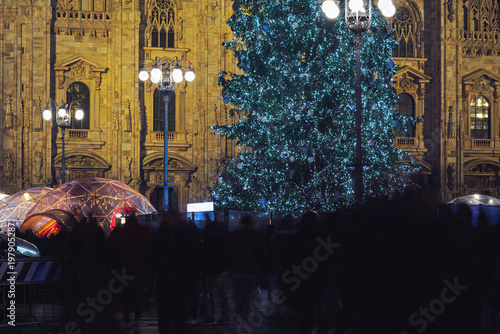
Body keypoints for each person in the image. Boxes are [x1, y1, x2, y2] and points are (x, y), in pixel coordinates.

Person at [152, 210, 198, 334]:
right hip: (165, 283)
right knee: (166, 318)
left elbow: (192, 258)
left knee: (179, 318)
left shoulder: (184, 235)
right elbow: (152, 260)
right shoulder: (159, 236)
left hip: (180, 283)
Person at [108, 212, 151, 334]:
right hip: (139, 269)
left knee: (126, 296)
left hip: (124, 270)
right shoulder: (143, 231)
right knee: (137, 295)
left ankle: (127, 320)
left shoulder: (122, 233)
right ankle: (137, 320)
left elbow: (115, 251)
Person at [226, 214, 264, 323]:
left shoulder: (233, 235)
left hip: (237, 269)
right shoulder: (257, 235)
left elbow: (226, 252)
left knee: (238, 294)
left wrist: (230, 266)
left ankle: (239, 314)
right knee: (248, 294)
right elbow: (262, 254)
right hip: (251, 270)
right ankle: (246, 315)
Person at [201, 213, 231, 325]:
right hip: (222, 267)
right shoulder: (223, 235)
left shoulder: (206, 234)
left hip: (210, 266)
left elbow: (203, 251)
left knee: (211, 292)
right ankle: (225, 314)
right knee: (222, 292)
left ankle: (212, 314)